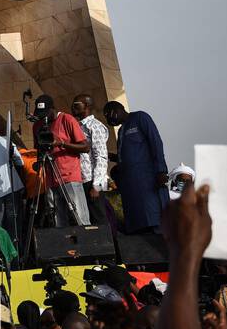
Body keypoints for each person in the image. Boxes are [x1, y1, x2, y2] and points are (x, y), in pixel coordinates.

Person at [103, 101, 169, 233]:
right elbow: (131, 155)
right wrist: (114, 157)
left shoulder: (140, 117)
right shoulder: (121, 130)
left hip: (148, 179)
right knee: (138, 222)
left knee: (153, 215)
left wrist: (161, 170)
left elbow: (155, 142)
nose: (109, 118)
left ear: (118, 109)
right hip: (131, 184)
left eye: (109, 114)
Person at [30, 94, 90, 228]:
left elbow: (85, 147)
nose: (44, 117)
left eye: (46, 113)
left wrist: (61, 143)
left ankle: (87, 247)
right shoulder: (37, 126)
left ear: (52, 109)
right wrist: (39, 162)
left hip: (69, 177)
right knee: (58, 221)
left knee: (79, 218)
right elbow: (39, 149)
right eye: (41, 114)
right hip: (50, 180)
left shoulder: (67, 119)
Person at [71, 94, 112, 226]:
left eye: (76, 104)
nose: (72, 107)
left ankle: (110, 246)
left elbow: (101, 156)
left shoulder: (95, 126)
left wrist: (97, 186)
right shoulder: (76, 126)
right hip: (80, 179)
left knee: (99, 220)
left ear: (86, 106)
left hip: (92, 182)